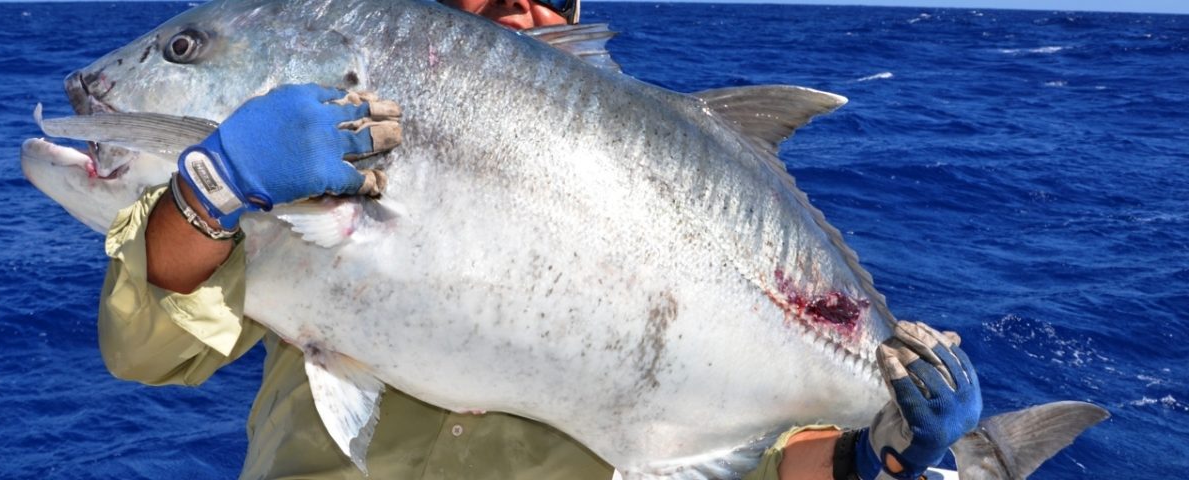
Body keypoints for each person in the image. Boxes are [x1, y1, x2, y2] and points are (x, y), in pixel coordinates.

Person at [97, 0, 981, 478]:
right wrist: (211, 188)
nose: (515, 11)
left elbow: (767, 463)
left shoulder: (655, 171)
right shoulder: (296, 156)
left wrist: (881, 452)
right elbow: (148, 348)